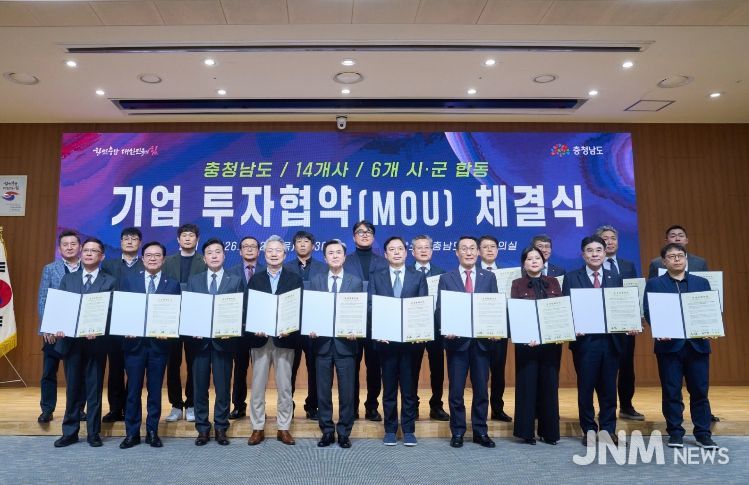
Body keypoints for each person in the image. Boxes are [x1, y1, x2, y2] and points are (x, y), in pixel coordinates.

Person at [644, 243, 718, 449]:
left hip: (698, 345)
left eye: (680, 255)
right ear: (664, 261)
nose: (676, 259)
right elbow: (648, 311)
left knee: (700, 392)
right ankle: (675, 432)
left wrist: (710, 326)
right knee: (671, 392)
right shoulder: (655, 284)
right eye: (671, 256)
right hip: (669, 347)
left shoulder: (701, 282)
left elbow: (709, 309)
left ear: (686, 259)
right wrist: (659, 328)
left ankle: (703, 434)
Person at [562, 235, 625, 447]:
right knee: (586, 388)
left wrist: (629, 322)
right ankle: (588, 429)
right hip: (585, 343)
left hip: (611, 342)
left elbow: (621, 307)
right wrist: (573, 327)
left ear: (605, 253)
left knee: (609, 389)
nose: (595, 254)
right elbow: (566, 308)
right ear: (583, 255)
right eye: (590, 251)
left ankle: (608, 430)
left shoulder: (615, 277)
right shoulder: (572, 278)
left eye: (599, 250)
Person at [53, 238, 117, 448]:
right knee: (72, 388)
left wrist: (97, 328)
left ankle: (93, 433)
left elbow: (111, 310)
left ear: (102, 256)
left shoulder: (110, 281)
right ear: (81, 253)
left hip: (96, 343)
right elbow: (61, 307)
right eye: (86, 250)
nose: (89, 253)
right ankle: (70, 432)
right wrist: (59, 326)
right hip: (71, 342)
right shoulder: (68, 279)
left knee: (94, 389)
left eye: (94, 251)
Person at [437, 235, 498, 448]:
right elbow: (441, 308)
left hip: (481, 343)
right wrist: (446, 328)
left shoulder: (488, 277)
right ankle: (458, 432)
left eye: (473, 248)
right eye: (464, 248)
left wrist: (495, 328)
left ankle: (481, 431)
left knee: (481, 390)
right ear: (457, 252)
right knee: (456, 391)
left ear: (478, 252)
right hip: (457, 344)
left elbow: (494, 307)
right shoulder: (447, 278)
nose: (469, 252)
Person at [118, 241, 180, 449]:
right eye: (149, 255)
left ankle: (152, 431)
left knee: (155, 391)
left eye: (157, 255)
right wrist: (125, 327)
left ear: (163, 259)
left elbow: (175, 314)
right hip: (133, 345)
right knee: (133, 390)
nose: (153, 258)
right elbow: (122, 309)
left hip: (158, 346)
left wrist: (168, 331)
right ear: (142, 258)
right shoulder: (129, 281)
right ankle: (132, 433)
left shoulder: (172, 284)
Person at [369, 236, 428, 446]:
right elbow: (371, 306)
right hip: (386, 343)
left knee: (409, 389)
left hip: (410, 344)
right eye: (392, 249)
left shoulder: (417, 276)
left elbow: (422, 306)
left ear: (406, 252)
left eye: (400, 249)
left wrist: (419, 331)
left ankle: (409, 429)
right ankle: (390, 429)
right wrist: (379, 330)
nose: (396, 252)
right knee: (389, 389)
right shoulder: (377, 277)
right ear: (385, 255)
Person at [246, 235, 303, 446]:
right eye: (269, 250)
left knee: (285, 386)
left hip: (285, 340)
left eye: (278, 250)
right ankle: (257, 427)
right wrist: (255, 326)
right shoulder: (255, 279)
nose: (273, 254)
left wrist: (290, 328)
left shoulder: (294, 279)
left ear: (284, 255)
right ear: (264, 254)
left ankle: (283, 428)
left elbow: (299, 308)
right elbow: (250, 307)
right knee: (257, 386)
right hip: (260, 340)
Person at [186, 238, 243, 446]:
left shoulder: (235, 280)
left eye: (218, 252)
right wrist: (193, 329)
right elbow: (190, 309)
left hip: (224, 342)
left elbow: (241, 309)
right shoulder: (194, 280)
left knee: (222, 387)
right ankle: (202, 428)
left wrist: (232, 329)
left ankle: (221, 427)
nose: (214, 256)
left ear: (224, 256)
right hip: (199, 343)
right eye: (210, 253)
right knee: (200, 387)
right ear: (204, 258)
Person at [308, 239, 362, 449]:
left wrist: (356, 329)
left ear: (344, 256)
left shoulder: (355, 281)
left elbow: (359, 312)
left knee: (347, 392)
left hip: (346, 345)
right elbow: (311, 310)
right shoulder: (316, 281)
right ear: (325, 258)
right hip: (322, 344)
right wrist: (311, 327)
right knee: (323, 391)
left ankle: (344, 432)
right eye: (330, 253)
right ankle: (327, 431)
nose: (335, 256)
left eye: (338, 252)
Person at [510, 246, 563, 445]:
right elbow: (517, 313)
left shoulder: (554, 282)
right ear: (524, 264)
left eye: (537, 258)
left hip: (550, 344)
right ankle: (526, 433)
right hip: (527, 344)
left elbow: (559, 310)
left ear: (543, 262)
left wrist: (560, 332)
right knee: (527, 385)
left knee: (549, 386)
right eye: (529, 259)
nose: (534, 261)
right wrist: (526, 335)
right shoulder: (517, 284)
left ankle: (549, 432)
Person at [595, 224, 644, 421]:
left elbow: (635, 293)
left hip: (625, 326)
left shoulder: (627, 265)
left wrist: (638, 316)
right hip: (601, 325)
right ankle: (605, 408)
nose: (610, 241)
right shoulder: (594, 265)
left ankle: (626, 405)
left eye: (613, 238)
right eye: (605, 238)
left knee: (626, 366)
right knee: (604, 369)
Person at [37, 230, 84, 424]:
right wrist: (46, 327)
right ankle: (47, 409)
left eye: (73, 244)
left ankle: (78, 409)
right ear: (60, 248)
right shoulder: (50, 269)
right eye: (65, 244)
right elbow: (43, 298)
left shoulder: (88, 267)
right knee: (49, 371)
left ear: (80, 247)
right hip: (53, 330)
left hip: (79, 329)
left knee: (77, 373)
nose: (69, 247)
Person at [343, 220, 388, 421]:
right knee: (351, 367)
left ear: (373, 236)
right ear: (354, 237)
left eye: (368, 231)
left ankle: (372, 406)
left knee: (374, 367)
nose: (364, 234)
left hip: (376, 322)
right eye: (360, 231)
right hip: (351, 322)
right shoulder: (345, 261)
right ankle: (351, 407)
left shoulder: (383, 262)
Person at [100, 226, 145, 423]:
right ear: (120, 243)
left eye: (134, 238)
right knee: (115, 369)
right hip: (113, 325)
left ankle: (130, 408)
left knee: (134, 370)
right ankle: (115, 409)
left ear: (140, 243)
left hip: (138, 325)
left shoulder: (146, 264)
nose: (129, 241)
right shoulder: (108, 265)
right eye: (126, 238)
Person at [162, 223, 206, 423]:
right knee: (173, 363)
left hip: (195, 318)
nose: (187, 238)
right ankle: (176, 405)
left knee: (194, 362)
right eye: (184, 235)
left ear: (197, 239)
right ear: (178, 239)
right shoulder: (168, 261)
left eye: (191, 235)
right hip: (171, 318)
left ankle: (191, 404)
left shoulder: (203, 261)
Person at [284, 230, 326, 420]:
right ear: (293, 246)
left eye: (306, 241)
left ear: (313, 246)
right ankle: (288, 405)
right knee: (289, 368)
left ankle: (312, 405)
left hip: (314, 326)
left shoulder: (323, 268)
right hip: (291, 326)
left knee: (314, 367)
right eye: (299, 241)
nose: (302, 244)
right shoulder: (286, 267)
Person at [409, 234, 449, 421]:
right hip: (413, 327)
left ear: (432, 251)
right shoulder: (406, 272)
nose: (424, 250)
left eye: (427, 247)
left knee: (437, 369)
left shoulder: (442, 273)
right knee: (412, 368)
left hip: (436, 327)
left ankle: (436, 405)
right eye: (420, 247)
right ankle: (412, 405)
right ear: (413, 251)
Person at [228, 236, 263, 420]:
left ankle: (259, 407)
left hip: (260, 329)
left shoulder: (266, 271)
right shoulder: (231, 272)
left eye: (253, 246)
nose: (249, 249)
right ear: (240, 251)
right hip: (238, 328)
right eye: (245, 246)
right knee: (239, 369)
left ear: (259, 251)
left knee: (260, 371)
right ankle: (238, 406)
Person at [478, 234, 511, 423]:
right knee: (481, 374)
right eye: (485, 247)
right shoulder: (473, 273)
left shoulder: (508, 274)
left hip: (500, 330)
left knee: (498, 372)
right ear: (478, 251)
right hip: (480, 331)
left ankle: (497, 409)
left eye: (493, 246)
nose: (489, 250)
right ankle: (480, 411)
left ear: (498, 250)